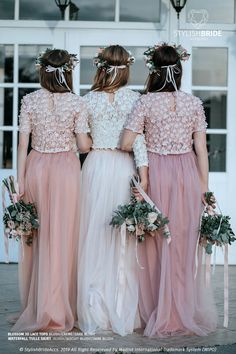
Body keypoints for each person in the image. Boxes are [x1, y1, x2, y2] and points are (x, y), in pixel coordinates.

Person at [121, 43, 217, 337]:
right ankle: (180, 311)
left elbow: (126, 142)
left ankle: (159, 311)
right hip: (187, 174)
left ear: (153, 72)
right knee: (183, 243)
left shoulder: (145, 103)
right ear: (179, 70)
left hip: (159, 173)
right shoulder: (193, 103)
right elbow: (201, 149)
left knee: (158, 242)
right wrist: (204, 189)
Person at [12, 49, 91, 332]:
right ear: (67, 71)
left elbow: (22, 145)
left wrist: (18, 183)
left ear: (42, 71)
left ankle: (36, 307)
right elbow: (83, 146)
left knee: (38, 235)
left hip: (36, 167)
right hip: (66, 171)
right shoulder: (77, 103)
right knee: (62, 237)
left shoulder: (29, 100)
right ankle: (57, 306)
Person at [77, 45, 148, 336]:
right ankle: (121, 306)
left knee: (94, 234)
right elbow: (139, 142)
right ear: (126, 69)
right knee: (122, 239)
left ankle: (93, 305)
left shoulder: (86, 100)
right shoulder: (135, 100)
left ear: (100, 68)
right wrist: (143, 178)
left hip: (95, 166)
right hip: (123, 168)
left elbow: (81, 144)